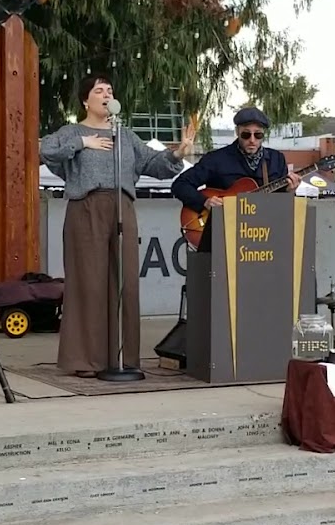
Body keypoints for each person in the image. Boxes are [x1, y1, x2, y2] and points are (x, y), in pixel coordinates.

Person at [40, 75, 186, 378]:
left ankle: (122, 358)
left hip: (123, 207)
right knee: (89, 282)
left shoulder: (125, 135)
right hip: (87, 208)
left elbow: (153, 164)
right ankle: (86, 359)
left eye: (110, 90)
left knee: (125, 281)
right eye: (99, 90)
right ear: (86, 100)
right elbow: (47, 152)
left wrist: (177, 153)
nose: (106, 94)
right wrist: (82, 143)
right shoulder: (72, 131)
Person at [171, 107, 298, 250]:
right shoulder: (216, 159)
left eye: (258, 135)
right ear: (237, 132)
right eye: (246, 134)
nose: (252, 140)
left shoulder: (276, 160)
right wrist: (204, 201)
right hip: (222, 236)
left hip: (261, 237)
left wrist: (290, 191)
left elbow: (281, 206)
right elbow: (180, 185)